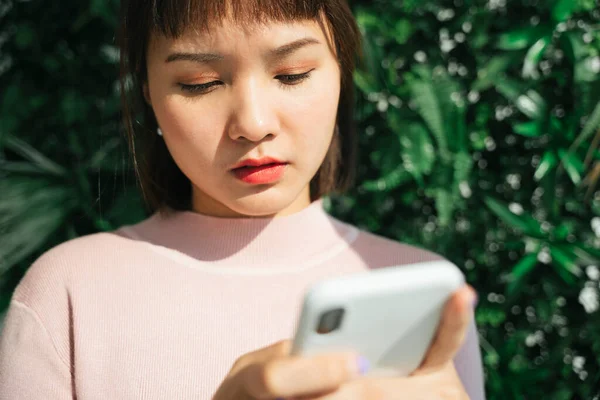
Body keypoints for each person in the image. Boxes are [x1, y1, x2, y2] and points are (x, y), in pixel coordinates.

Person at [0, 0, 486, 398]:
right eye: (200, 83)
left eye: (292, 74)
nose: (253, 123)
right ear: (148, 92)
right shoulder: (68, 294)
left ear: (342, 70)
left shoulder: (420, 296)